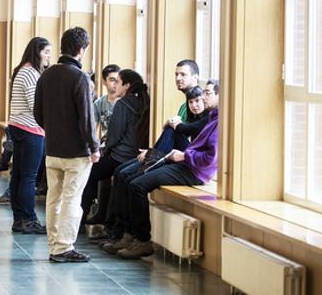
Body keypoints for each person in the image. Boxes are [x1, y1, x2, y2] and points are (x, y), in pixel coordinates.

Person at [103, 80, 220, 260]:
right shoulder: (213, 116)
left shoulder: (219, 121)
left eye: (207, 94)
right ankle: (129, 235)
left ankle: (142, 241)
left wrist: (184, 156)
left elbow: (210, 159)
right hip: (186, 163)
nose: (203, 98)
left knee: (136, 185)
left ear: (220, 96)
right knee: (128, 178)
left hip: (193, 171)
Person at [34, 27, 99, 263]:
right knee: (72, 199)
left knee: (54, 198)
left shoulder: (47, 75)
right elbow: (87, 117)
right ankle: (64, 247)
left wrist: (53, 130)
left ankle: (53, 244)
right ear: (81, 50)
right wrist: (94, 147)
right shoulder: (80, 78)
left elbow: (37, 113)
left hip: (52, 148)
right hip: (77, 152)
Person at [80, 69, 150, 229]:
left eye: (118, 82)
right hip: (135, 155)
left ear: (127, 85)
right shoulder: (143, 102)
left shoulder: (123, 104)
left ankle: (80, 220)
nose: (114, 86)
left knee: (89, 173)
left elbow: (114, 136)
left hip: (120, 156)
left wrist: (103, 149)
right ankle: (103, 217)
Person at [7, 37, 53, 235]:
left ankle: (19, 219)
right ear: (37, 52)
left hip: (18, 126)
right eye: (46, 52)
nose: (49, 56)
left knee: (19, 173)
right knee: (28, 177)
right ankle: (29, 219)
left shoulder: (22, 70)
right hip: (30, 129)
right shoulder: (31, 73)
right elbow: (36, 106)